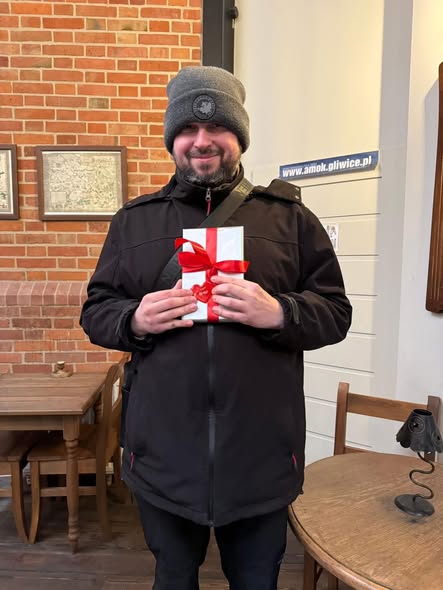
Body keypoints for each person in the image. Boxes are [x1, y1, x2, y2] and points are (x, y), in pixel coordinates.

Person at [80, 66, 352, 590]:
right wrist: (133, 319)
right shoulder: (134, 222)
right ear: (171, 139)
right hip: (163, 459)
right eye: (187, 129)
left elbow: (336, 312)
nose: (202, 141)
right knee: (173, 578)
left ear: (240, 136)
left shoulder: (290, 220)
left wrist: (282, 313)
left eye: (217, 127)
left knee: (256, 581)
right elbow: (96, 312)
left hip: (259, 460)